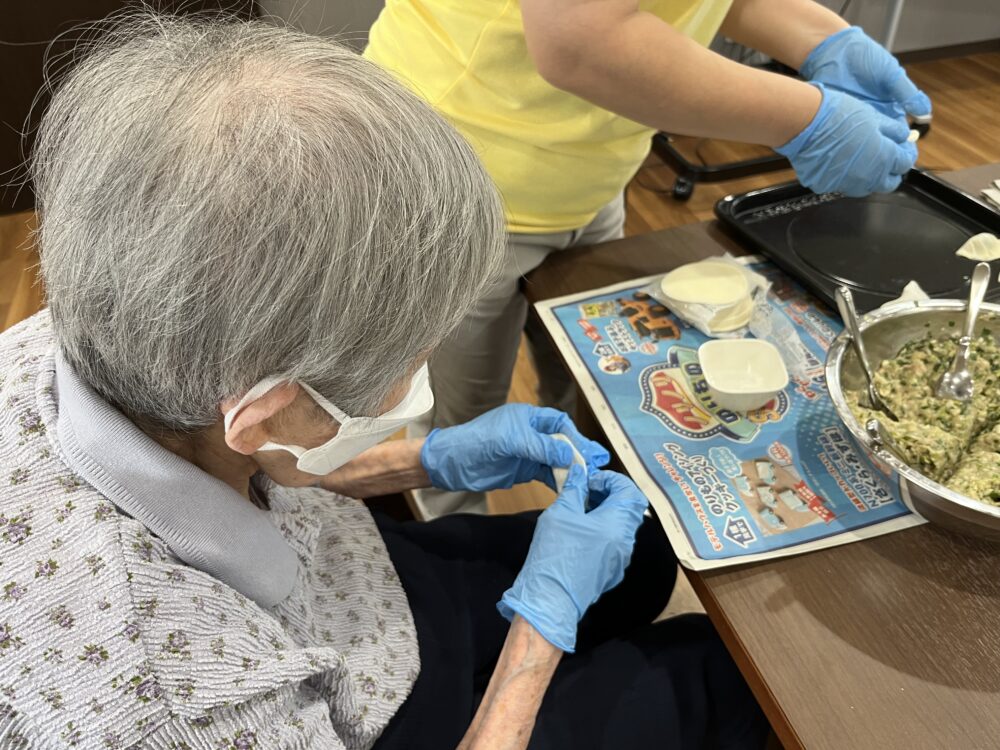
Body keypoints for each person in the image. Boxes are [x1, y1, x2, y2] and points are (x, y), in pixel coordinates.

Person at [0, 14, 768, 749]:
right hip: (355, 712)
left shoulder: (107, 316)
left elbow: (250, 466)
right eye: (407, 365)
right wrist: (540, 627)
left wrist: (421, 460)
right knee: (723, 675)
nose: (417, 378)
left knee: (641, 559)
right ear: (267, 416)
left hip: (350, 583)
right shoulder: (172, 705)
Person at [364, 0, 933, 516]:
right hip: (453, 172)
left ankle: (578, 509)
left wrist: (824, 39)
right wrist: (805, 120)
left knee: (590, 387)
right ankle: (457, 547)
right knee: (461, 421)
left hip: (587, 170)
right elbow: (578, 38)